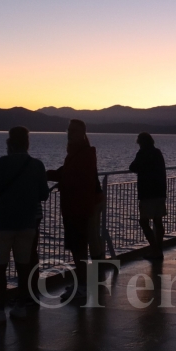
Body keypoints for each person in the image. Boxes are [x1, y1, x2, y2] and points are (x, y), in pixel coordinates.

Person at [0, 126, 49, 324]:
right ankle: (21, 307)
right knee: (24, 266)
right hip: (28, 223)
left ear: (10, 143)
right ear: (27, 143)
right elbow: (44, 194)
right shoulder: (37, 165)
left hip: (4, 223)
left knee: (0, 268)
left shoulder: (2, 162)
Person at [47, 119, 103, 301]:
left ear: (82, 133)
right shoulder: (77, 154)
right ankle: (82, 284)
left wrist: (61, 180)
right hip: (75, 207)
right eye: (69, 130)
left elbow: (79, 180)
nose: (70, 134)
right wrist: (47, 174)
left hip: (78, 209)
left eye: (74, 131)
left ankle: (83, 287)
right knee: (78, 248)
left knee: (78, 249)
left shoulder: (83, 155)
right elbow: (67, 174)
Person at [129, 132, 167, 260]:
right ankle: (159, 249)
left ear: (141, 142)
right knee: (158, 221)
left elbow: (132, 167)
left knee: (144, 222)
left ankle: (155, 250)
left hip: (148, 192)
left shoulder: (142, 153)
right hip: (160, 191)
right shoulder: (157, 152)